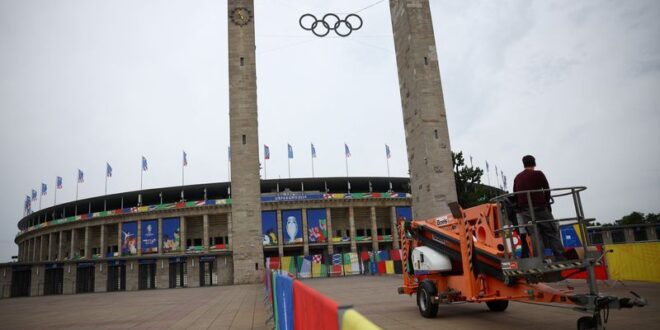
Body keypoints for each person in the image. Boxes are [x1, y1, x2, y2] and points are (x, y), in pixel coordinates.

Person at [513, 155, 565, 260]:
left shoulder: (517, 177)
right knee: (551, 231)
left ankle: (541, 259)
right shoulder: (538, 174)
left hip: (526, 211)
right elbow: (547, 189)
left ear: (524, 164)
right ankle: (560, 256)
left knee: (534, 234)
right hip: (540, 208)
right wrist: (546, 203)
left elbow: (515, 194)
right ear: (534, 163)